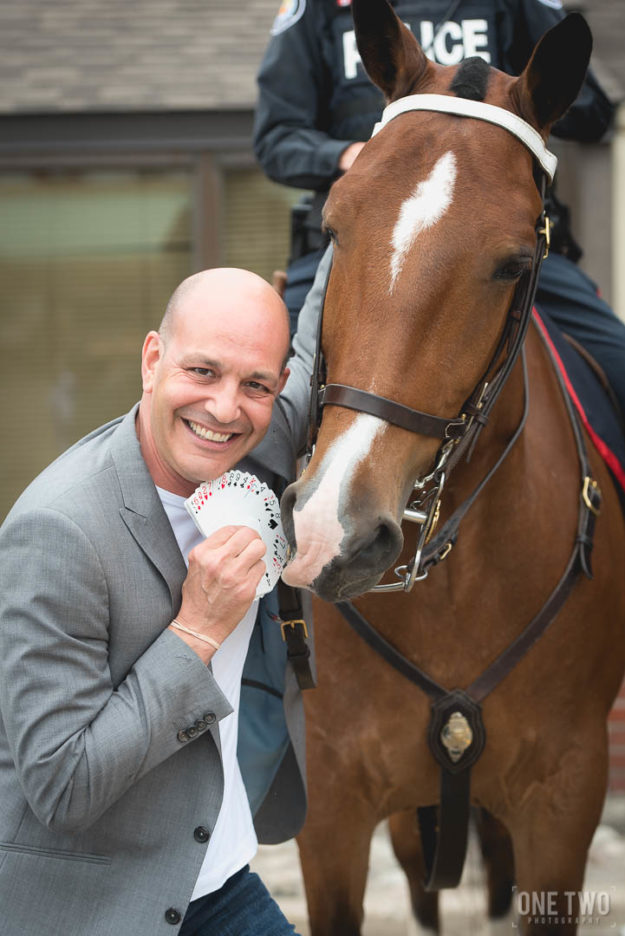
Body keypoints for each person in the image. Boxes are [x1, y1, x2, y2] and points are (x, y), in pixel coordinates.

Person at [0, 262, 325, 936]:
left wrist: (349, 225)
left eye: (255, 385)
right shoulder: (58, 531)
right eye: (203, 371)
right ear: (153, 360)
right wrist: (197, 630)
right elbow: (62, 786)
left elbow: (321, 331)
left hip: (218, 880)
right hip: (94, 906)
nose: (225, 408)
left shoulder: (245, 450)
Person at [253, 0, 625, 418]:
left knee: (617, 365)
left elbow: (590, 112)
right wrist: (355, 155)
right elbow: (276, 139)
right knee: (262, 384)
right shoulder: (318, 8)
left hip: (499, 248)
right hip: (356, 245)